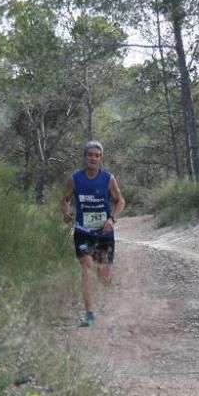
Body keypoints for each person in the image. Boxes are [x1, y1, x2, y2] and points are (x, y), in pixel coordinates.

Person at [60, 140, 125, 327]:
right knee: (87, 266)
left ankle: (105, 288)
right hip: (83, 231)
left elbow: (120, 201)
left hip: (104, 232)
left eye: (97, 155)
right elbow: (64, 200)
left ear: (101, 159)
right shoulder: (75, 179)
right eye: (90, 155)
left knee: (104, 276)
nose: (93, 158)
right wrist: (66, 212)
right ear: (85, 157)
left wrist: (112, 219)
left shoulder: (108, 178)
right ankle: (89, 313)